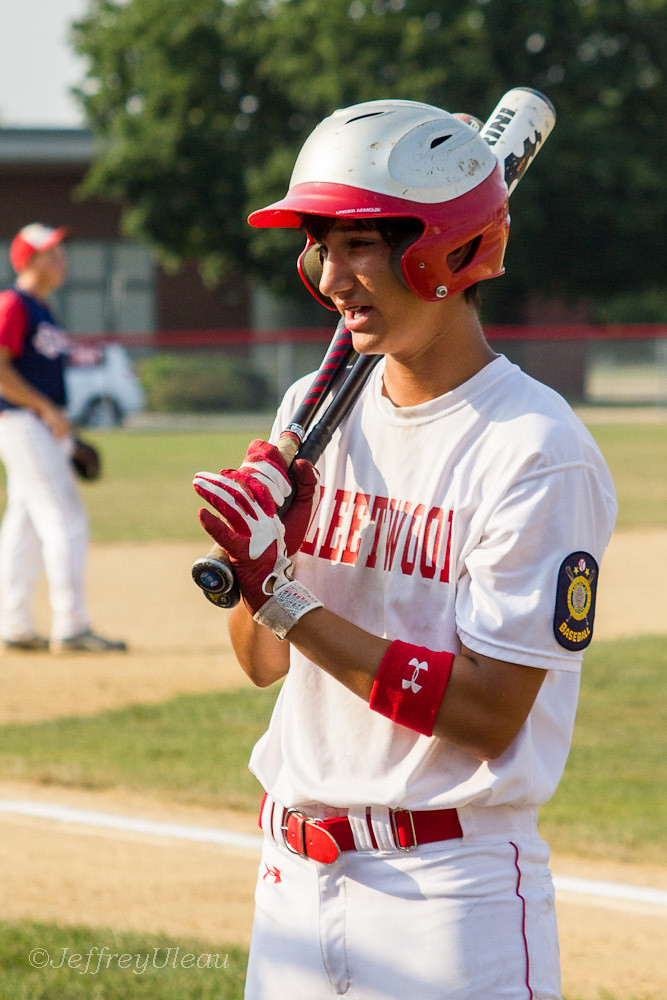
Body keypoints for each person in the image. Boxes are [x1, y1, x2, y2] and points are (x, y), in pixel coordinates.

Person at [193, 100, 617, 999]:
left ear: (450, 251)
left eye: (362, 243)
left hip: (446, 900)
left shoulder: (534, 449)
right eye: (320, 243)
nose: (332, 275)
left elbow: (487, 713)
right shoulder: (313, 407)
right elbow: (262, 663)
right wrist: (266, 565)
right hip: (289, 880)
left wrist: (283, 596)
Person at [0, 223, 127, 653]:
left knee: (24, 525)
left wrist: (62, 427)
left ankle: (14, 622)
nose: (62, 259)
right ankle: (71, 626)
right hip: (23, 422)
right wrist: (44, 408)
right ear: (30, 260)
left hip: (37, 425)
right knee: (66, 520)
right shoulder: (14, 304)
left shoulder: (43, 309)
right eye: (51, 253)